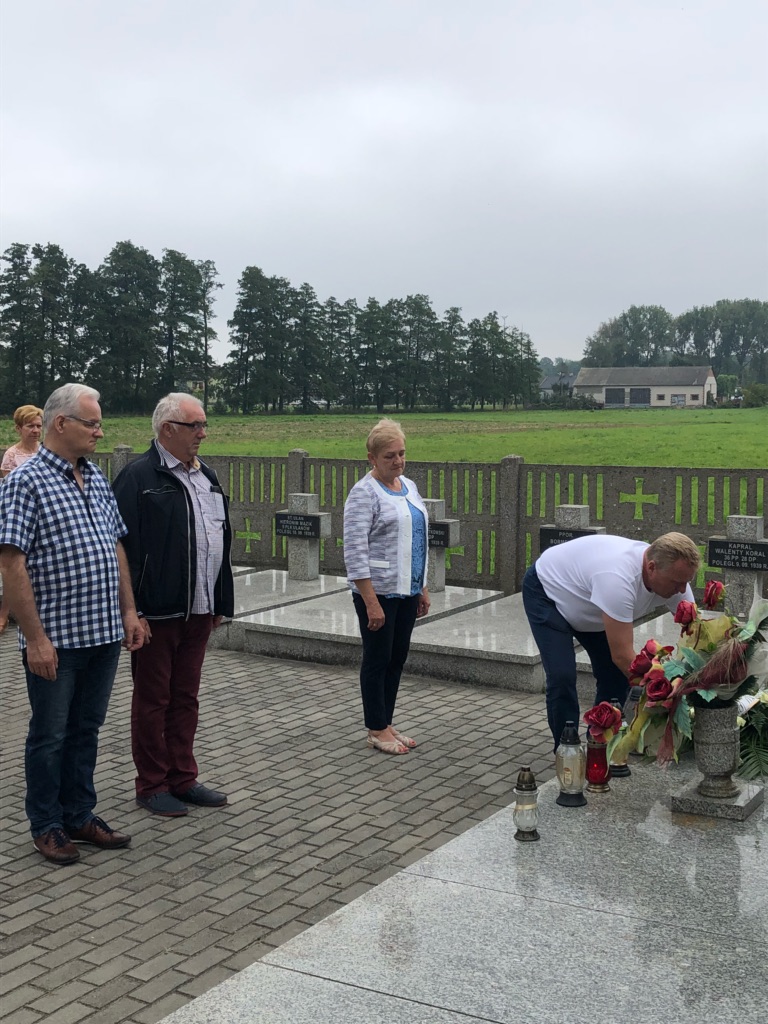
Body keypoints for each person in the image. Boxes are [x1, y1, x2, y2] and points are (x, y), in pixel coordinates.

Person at [0, 383, 144, 865]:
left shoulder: (96, 477)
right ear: (61, 423)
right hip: (56, 641)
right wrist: (34, 638)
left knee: (87, 730)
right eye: (93, 423)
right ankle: (47, 824)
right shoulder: (26, 480)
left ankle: (80, 813)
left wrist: (128, 610)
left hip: (102, 633)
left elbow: (116, 546)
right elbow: (12, 564)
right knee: (50, 735)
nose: (100, 432)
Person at [113, 393, 234, 816]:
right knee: (153, 699)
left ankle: (183, 777)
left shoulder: (208, 477)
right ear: (167, 429)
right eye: (194, 426)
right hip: (156, 614)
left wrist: (219, 599)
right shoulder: (138, 477)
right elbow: (121, 549)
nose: (203, 433)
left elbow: (220, 541)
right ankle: (151, 784)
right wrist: (133, 611)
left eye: (204, 425)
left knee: (186, 697)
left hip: (199, 610)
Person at [522, 531, 700, 750]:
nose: (682, 590)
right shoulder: (618, 579)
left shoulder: (674, 576)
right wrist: (663, 695)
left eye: (687, 582)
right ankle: (567, 749)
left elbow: (696, 634)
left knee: (614, 677)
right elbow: (623, 657)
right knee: (562, 675)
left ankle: (597, 742)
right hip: (548, 593)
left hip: (592, 603)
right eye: (677, 583)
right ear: (652, 567)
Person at [343, 418, 431, 755]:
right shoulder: (364, 493)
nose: (397, 461)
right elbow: (354, 550)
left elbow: (418, 539)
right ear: (372, 458)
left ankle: (387, 722)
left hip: (407, 589)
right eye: (389, 456)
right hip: (377, 591)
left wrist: (421, 587)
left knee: (397, 658)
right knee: (377, 659)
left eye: (401, 454)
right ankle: (376, 728)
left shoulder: (407, 485)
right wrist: (370, 601)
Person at [0, 404, 43, 633]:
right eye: (30, 426)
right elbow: (8, 490)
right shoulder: (12, 455)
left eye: (38, 425)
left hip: (42, 515)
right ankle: (4, 613)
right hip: (19, 515)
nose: (35, 430)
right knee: (14, 563)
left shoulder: (46, 452)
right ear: (19, 428)